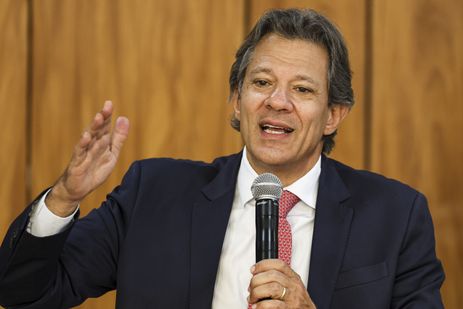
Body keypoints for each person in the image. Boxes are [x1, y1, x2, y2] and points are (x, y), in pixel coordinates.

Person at [0, 8, 444, 309]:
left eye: (303, 90)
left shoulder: (395, 215)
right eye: (261, 83)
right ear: (236, 101)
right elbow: (21, 292)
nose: (278, 102)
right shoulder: (152, 194)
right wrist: (63, 197)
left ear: (333, 115)